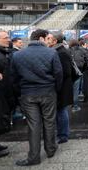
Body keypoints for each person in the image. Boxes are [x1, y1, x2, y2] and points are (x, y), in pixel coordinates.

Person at [11, 29, 63, 166]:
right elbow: (58, 74)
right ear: (41, 38)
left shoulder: (18, 55)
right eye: (47, 39)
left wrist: (20, 92)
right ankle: (50, 149)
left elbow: (13, 77)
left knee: (33, 125)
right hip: (48, 92)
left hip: (28, 94)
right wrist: (55, 89)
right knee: (49, 121)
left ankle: (34, 157)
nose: (48, 41)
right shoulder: (52, 53)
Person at [46, 31, 73, 144]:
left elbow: (65, 72)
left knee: (61, 110)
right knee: (61, 110)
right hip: (61, 86)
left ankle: (63, 135)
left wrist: (56, 83)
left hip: (62, 87)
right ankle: (62, 133)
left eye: (48, 39)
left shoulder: (60, 52)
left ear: (55, 41)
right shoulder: (59, 51)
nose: (46, 41)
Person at [0, 30, 13, 158]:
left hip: (4, 90)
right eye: (5, 37)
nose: (8, 39)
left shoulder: (3, 51)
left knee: (1, 117)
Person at [69, 39, 87, 112]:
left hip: (69, 72)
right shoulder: (82, 50)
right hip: (78, 71)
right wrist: (83, 70)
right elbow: (86, 61)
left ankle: (68, 104)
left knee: (69, 89)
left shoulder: (68, 50)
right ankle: (75, 106)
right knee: (75, 90)